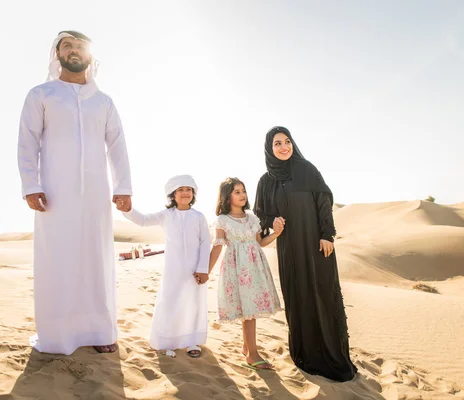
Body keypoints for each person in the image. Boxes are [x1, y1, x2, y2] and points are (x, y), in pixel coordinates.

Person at [17, 30, 132, 355]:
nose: (74, 50)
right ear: (57, 54)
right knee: (58, 259)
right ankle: (57, 335)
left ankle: (100, 330)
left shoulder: (103, 101)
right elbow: (28, 140)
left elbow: (117, 145)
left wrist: (123, 186)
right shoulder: (42, 94)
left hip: (96, 193)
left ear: (90, 55)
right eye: (67, 44)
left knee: (96, 258)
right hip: (54, 193)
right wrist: (31, 184)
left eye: (80, 45)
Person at [253, 126, 357, 381]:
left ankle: (333, 355)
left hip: (317, 245)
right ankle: (306, 355)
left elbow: (324, 202)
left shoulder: (307, 170)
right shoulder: (266, 181)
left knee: (323, 295)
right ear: (270, 148)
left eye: (287, 141)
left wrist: (326, 234)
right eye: (277, 143)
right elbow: (260, 214)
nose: (283, 147)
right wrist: (273, 221)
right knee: (298, 296)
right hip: (289, 249)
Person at [120, 175, 210, 358]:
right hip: (173, 270)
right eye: (180, 190)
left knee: (193, 303)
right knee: (170, 303)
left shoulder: (199, 217)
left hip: (194, 271)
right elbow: (143, 220)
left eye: (188, 189)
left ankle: (192, 341)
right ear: (172, 195)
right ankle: (169, 341)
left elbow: (205, 243)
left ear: (193, 193)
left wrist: (203, 268)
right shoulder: (166, 215)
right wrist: (128, 210)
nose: (185, 193)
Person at [208, 177, 282, 371]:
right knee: (247, 311)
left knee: (250, 309)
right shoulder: (222, 220)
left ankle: (246, 346)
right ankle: (252, 354)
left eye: (243, 191)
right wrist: (206, 270)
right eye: (237, 192)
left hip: (255, 266)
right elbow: (217, 246)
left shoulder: (252, 217)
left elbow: (260, 242)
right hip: (236, 267)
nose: (242, 195)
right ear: (226, 196)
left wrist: (275, 233)